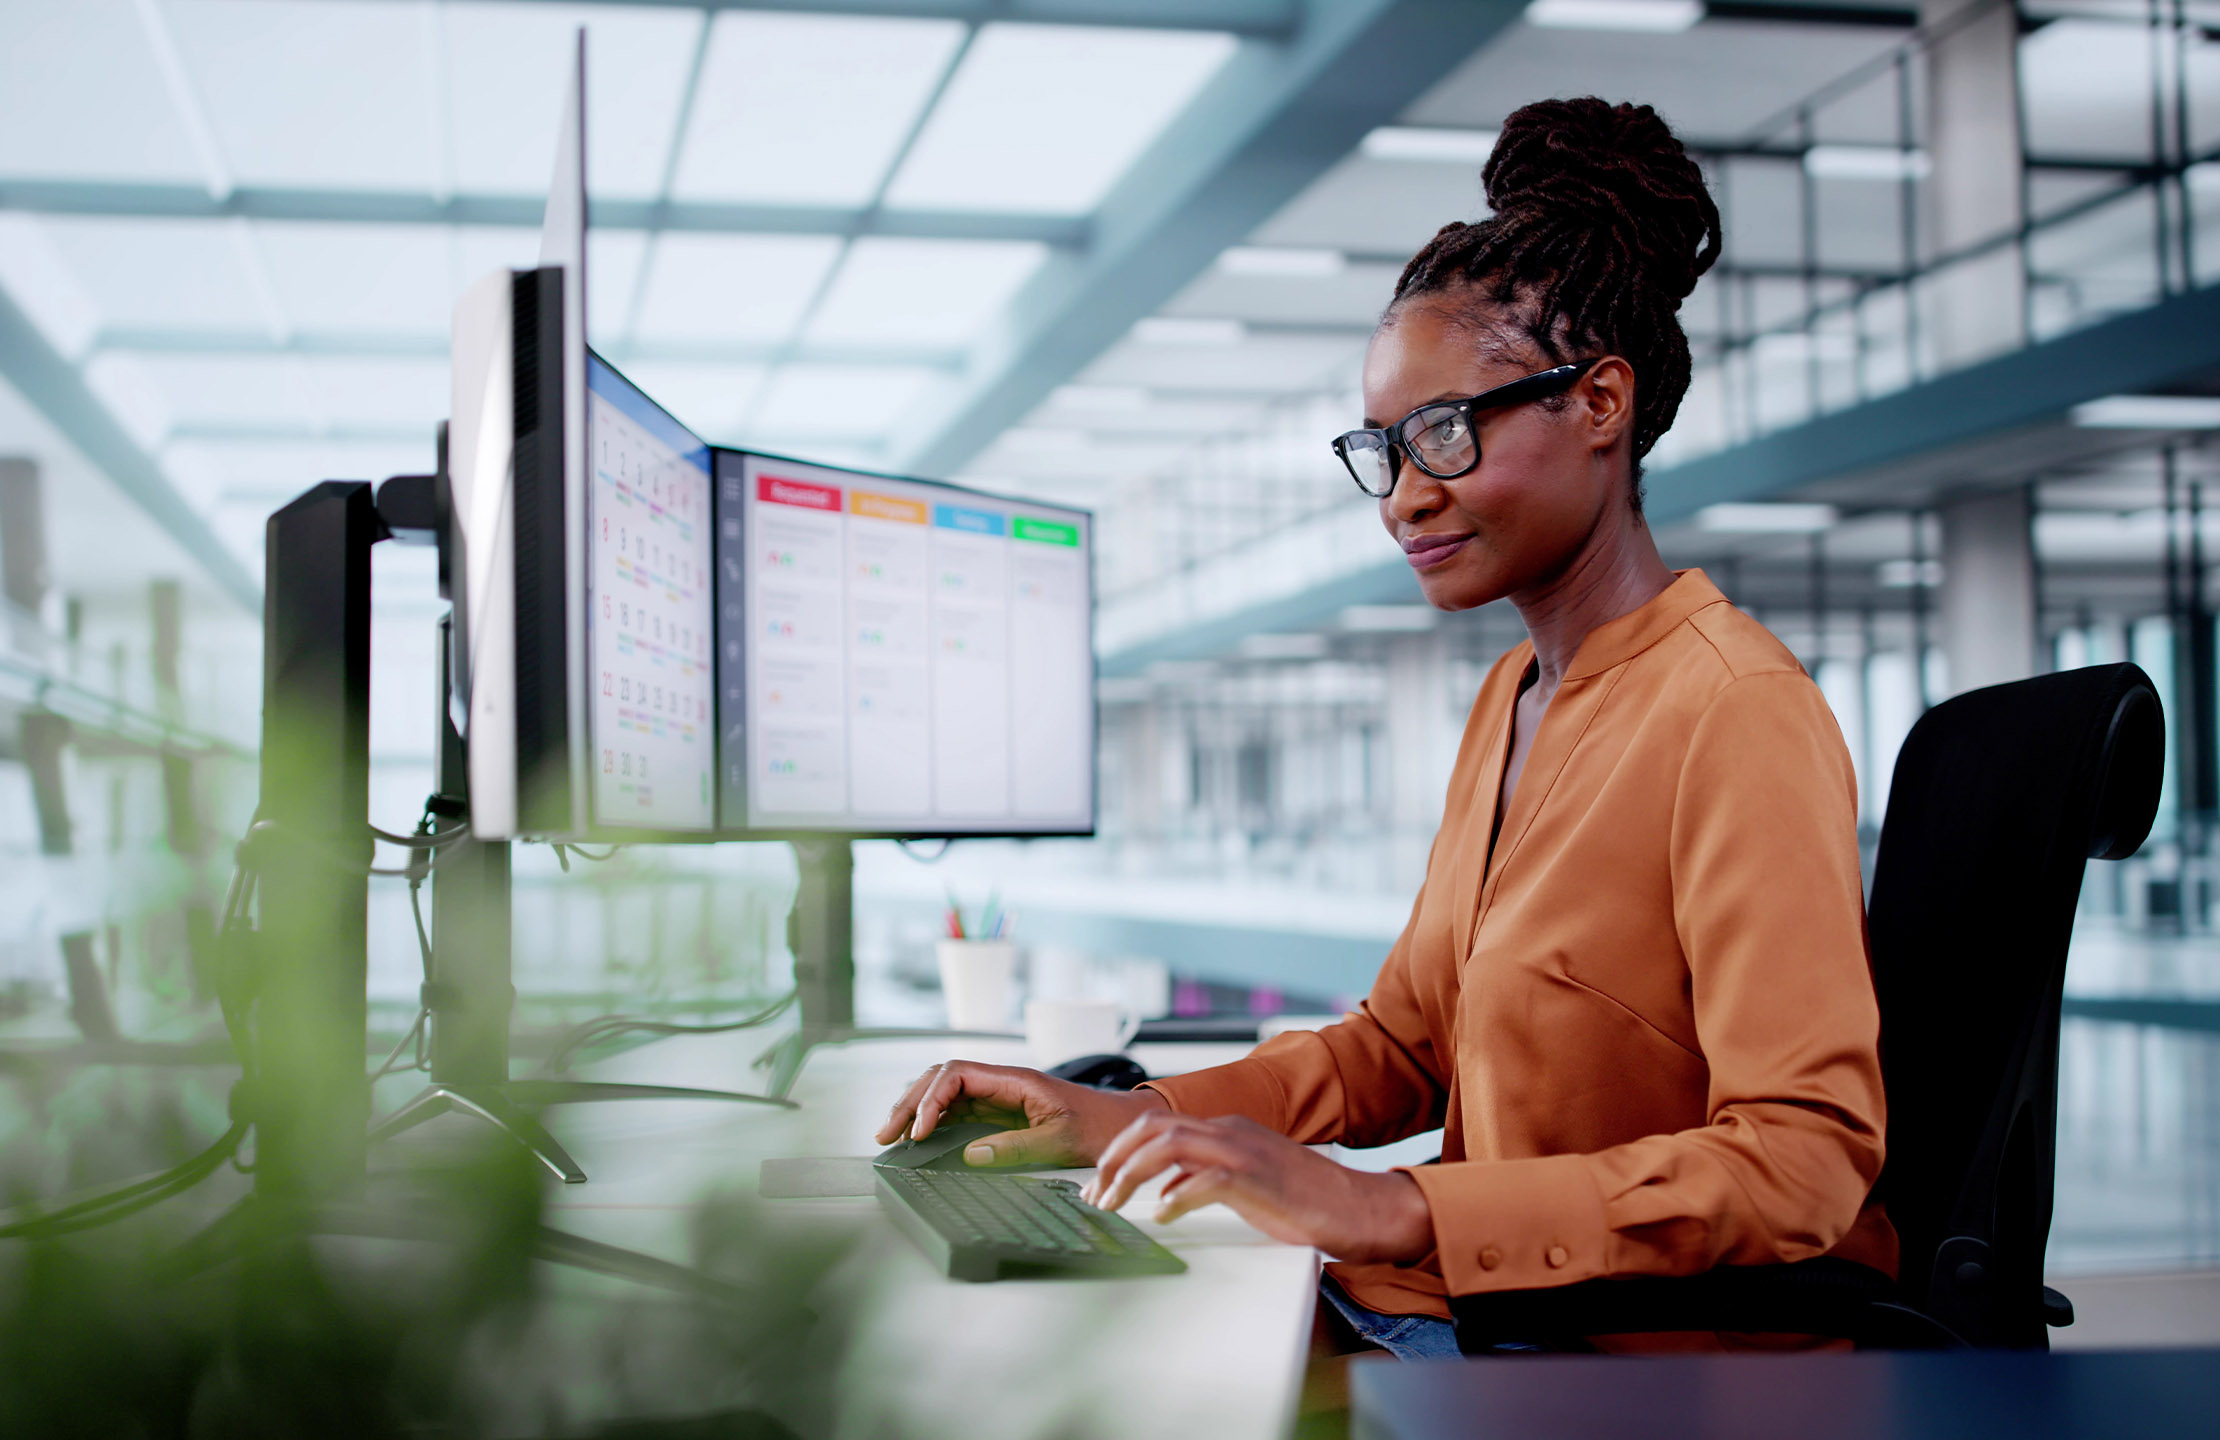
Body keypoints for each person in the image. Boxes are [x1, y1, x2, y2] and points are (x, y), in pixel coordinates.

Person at [876, 97, 1894, 1357]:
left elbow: (1803, 1164)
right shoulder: (1514, 698)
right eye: (1384, 448)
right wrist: (1119, 1115)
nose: (1405, 497)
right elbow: (1402, 1047)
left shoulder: (1735, 711)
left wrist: (1391, 1202)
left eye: (1448, 436)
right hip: (1468, 1313)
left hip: (1603, 1355)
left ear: (1601, 403)